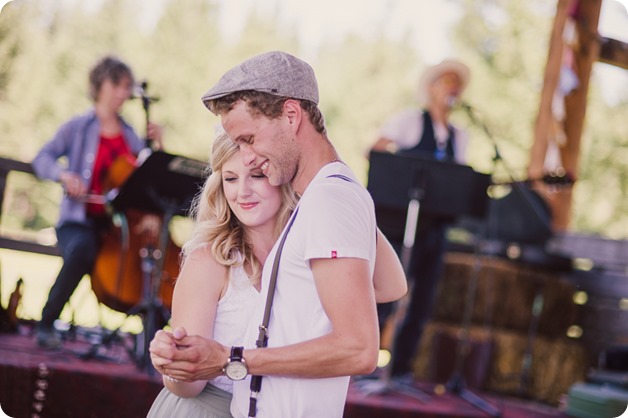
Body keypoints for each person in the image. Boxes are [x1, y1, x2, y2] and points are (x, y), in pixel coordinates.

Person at [149, 50, 396, 418]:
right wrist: (176, 360)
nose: (248, 160)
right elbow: (187, 383)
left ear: (292, 115)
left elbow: (390, 289)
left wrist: (336, 198)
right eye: (230, 177)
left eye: (250, 139)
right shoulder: (215, 258)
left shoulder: (328, 202)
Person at [31, 55, 164, 349]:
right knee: (83, 248)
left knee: (151, 257)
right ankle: (46, 322)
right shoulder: (77, 127)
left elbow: (145, 180)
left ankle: (153, 338)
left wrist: (157, 147)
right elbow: (42, 159)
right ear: (100, 85)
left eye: (127, 86)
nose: (123, 93)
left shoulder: (131, 134)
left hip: (118, 227)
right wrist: (64, 175)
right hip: (78, 221)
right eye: (117, 84)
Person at [370, 58, 471, 380]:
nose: (452, 87)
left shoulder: (460, 135)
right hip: (399, 225)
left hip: (435, 228)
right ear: (431, 88)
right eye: (446, 80)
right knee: (385, 293)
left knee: (423, 300)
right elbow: (377, 151)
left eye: (457, 82)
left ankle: (401, 369)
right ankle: (365, 360)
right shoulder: (410, 120)